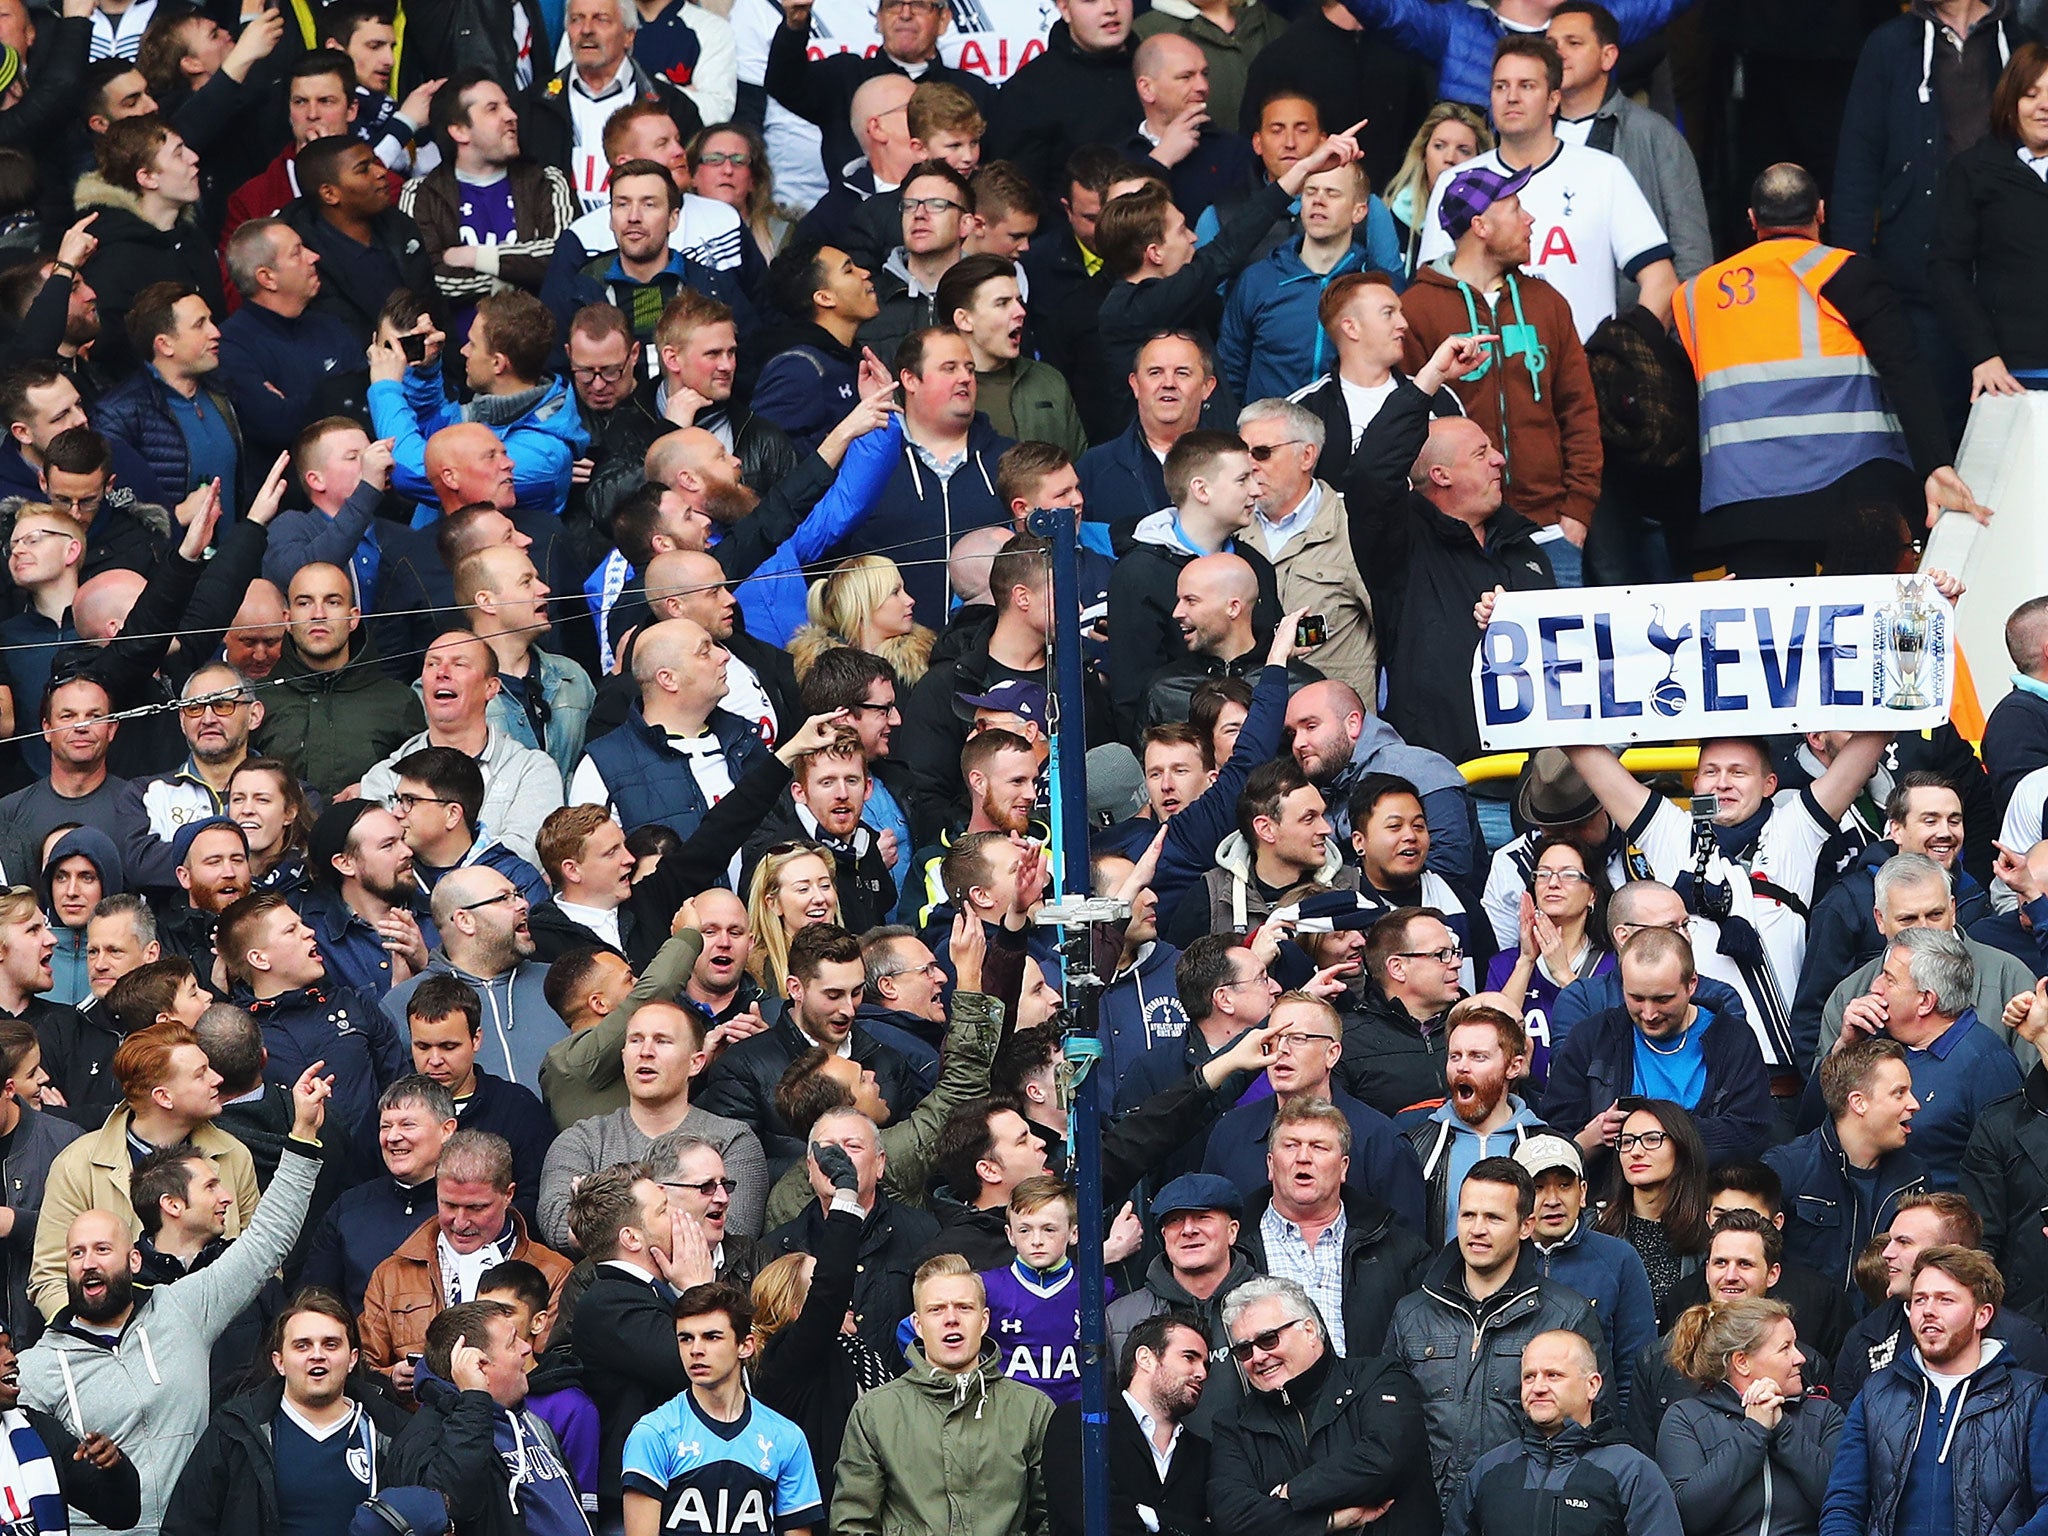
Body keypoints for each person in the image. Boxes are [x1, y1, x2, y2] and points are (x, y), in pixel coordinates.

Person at [18, 1061, 327, 1536]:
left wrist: (303, 1134)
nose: (89, 1262)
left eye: (103, 1249)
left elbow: (267, 1239)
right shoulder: (38, 1367)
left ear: (133, 1262)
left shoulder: (182, 1311)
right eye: (77, 1253)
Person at [1672, 162, 1988, 580]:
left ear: (1752, 220)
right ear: (1821, 212)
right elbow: (1903, 365)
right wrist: (1936, 463)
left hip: (1745, 507)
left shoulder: (1695, 295)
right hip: (1853, 493)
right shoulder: (1843, 271)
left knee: (1776, 640)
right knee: (1860, 631)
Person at [1398, 163, 1600, 580]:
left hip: (1549, 531)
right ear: (1481, 225)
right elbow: (1405, 422)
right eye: (1516, 208)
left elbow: (1579, 410)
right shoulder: (1417, 308)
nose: (1529, 220)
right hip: (1454, 534)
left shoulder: (1547, 302)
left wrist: (1577, 511)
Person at [1416, 37, 1677, 340]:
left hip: (1583, 374)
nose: (1511, 96)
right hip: (1479, 375)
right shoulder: (1457, 182)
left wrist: (1622, 360)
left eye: (1526, 85)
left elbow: (1661, 281)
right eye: (1501, 86)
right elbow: (1432, 292)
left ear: (1554, 100)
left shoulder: (1604, 172)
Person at [1386, 1155, 1609, 1503]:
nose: (1477, 1229)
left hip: (1523, 1509)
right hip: (1424, 1512)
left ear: (1526, 1226)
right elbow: (1388, 1422)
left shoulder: (1567, 1315)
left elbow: (1595, 1431)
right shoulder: (1412, 1313)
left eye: (1493, 1218)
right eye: (1468, 1215)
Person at [28, 1019, 260, 1318]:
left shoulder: (233, 1155)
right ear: (163, 1097)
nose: (217, 1079)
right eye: (200, 1074)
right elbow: (50, 1277)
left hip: (223, 1342)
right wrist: (97, 1339)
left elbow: (261, 1261)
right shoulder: (77, 1165)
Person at [1817, 1244, 2048, 1536]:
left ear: (1982, 1315)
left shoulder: (2029, 1399)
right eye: (1919, 1300)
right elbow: (1843, 1505)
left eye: (1945, 1300)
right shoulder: (1876, 1395)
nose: (1928, 1311)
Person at [830, 1252, 1054, 1536]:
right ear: (918, 1325)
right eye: (936, 1309)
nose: (951, 1319)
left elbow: (1052, 1516)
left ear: (984, 1321)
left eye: (964, 1307)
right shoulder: (876, 1412)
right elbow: (853, 1523)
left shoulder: (1032, 1409)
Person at [160, 1287, 414, 1536]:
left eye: (331, 1344)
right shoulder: (235, 1431)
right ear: (279, 1362)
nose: (317, 1355)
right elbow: (186, 1525)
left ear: (352, 1359)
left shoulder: (390, 1432)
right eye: (302, 1346)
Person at [1208, 1273, 1439, 1536]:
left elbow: (1386, 1457)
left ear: (1309, 1330)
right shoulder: (1233, 1424)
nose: (1258, 1357)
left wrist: (1292, 1493)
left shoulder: (1379, 1377)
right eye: (1244, 1350)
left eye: (1269, 1339)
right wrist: (1330, 1521)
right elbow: (1232, 1517)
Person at [537, 999, 770, 1245]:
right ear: (624, 1056)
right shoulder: (582, 1140)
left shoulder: (733, 1139)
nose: (645, 1051)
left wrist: (605, 1216)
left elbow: (734, 1232)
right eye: (636, 1040)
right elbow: (558, 1225)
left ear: (696, 1062)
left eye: (662, 1041)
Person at [1803, 926, 2021, 1187]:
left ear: (1926, 1001)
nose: (1875, 986)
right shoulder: (1872, 1040)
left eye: (1889, 979)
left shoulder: (1986, 1062)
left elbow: (2011, 1171)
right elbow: (1809, 1123)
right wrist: (1845, 1045)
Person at [358, 1127, 572, 1389]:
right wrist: (391, 1377)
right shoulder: (392, 1273)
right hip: (413, 1421)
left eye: (476, 1207)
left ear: (509, 1195)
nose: (459, 1222)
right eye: (448, 1204)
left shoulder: (554, 1273)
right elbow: (362, 1365)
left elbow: (549, 1370)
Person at [565, 1164, 721, 1524]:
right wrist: (698, 1292)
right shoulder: (608, 1302)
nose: (679, 1217)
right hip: (638, 1504)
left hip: (682, 1492)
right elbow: (699, 1368)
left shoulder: (653, 1292)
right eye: (663, 1210)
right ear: (632, 1238)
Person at [1201, 990, 1427, 1231]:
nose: (1281, 1050)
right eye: (1273, 1040)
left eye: (1297, 1038)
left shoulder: (1381, 1141)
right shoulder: (1231, 1131)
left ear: (1332, 1054)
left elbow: (1409, 1250)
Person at [1232, 1091, 1430, 1360]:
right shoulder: (1230, 1248)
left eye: (1319, 1147)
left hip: (1364, 1399)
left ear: (1343, 1167)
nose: (1303, 1157)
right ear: (1270, 1164)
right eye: (1291, 1145)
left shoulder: (1397, 1248)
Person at [620, 1280, 820, 1536]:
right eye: (685, 1338)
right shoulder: (653, 1433)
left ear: (745, 1345)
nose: (696, 1350)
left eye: (712, 1337)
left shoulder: (785, 1438)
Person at [370, 293, 590, 519]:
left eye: (473, 344)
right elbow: (432, 432)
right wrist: (426, 372)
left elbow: (415, 473)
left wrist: (385, 389)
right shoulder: (489, 411)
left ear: (498, 363)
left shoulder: (541, 455)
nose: (463, 351)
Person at [388, 1297, 591, 1536]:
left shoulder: (530, 1423)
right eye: (512, 1342)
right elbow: (451, 1507)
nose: (526, 1348)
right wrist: (474, 1397)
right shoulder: (425, 1438)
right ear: (479, 1365)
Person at [358, 634, 566, 867]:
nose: (442, 672)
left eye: (459, 664)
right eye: (432, 664)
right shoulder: (386, 775)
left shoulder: (532, 770)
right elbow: (381, 861)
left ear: (491, 687)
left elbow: (523, 859)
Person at [1449, 1330, 1683, 1536]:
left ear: (1592, 1385)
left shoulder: (1631, 1472)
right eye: (1529, 1376)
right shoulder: (1489, 1470)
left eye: (1553, 1375)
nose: (1538, 1387)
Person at [215, 890, 409, 1136]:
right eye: (291, 930)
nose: (309, 932)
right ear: (259, 959)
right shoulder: (241, 1036)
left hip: (381, 1168)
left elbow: (402, 1089)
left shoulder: (354, 1004)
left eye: (302, 924)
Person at [1546, 2, 1712, 286]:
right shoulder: (1524, 132)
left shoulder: (1654, 134)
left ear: (1608, 57)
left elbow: (1690, 246)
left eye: (1573, 43)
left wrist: (1674, 323)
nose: (1558, 52)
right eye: (1550, 45)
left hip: (1632, 322)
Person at [1834, 1191, 2048, 1407]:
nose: (1887, 1253)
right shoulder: (1863, 1338)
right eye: (1890, 1241)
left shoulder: (2020, 1340)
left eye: (1904, 1242)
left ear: (1952, 1251)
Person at [1655, 1296, 1846, 1536]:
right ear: (1742, 1362)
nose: (1801, 1358)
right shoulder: (1687, 1418)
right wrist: (1754, 1430)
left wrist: (1782, 1428)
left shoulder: (1823, 1414)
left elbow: (1840, 1501)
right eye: (1785, 1348)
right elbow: (1688, 1516)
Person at [762, 0, 987, 197]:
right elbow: (783, 84)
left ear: (943, 19)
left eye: (918, 4)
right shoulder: (844, 77)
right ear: (878, 18)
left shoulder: (971, 92)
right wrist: (795, 26)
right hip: (854, 222)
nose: (905, 14)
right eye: (893, 4)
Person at [1765, 1036, 1928, 1297]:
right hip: (1801, 1329)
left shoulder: (1914, 1177)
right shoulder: (1787, 1169)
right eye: (1899, 1093)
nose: (1914, 1104)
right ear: (1858, 1102)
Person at [400, 72, 578, 310]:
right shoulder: (421, 193)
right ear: (459, 131)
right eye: (493, 109)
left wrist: (474, 256)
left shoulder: (548, 181)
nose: (512, 115)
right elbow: (424, 278)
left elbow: (561, 256)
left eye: (508, 106)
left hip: (538, 342)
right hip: (456, 345)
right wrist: (514, 277)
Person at [257, 560, 426, 801]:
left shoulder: (398, 701)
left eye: (333, 602)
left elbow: (419, 790)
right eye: (304, 603)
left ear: (353, 618)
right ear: (287, 619)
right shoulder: (260, 702)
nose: (318, 614)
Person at [76, 116, 224, 377]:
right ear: (147, 178)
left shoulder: (192, 237)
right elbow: (113, 350)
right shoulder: (115, 259)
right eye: (178, 154)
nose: (193, 158)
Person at [1520, 1132, 1657, 1413]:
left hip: (1598, 1437)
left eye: (1564, 1185)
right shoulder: (1500, 1260)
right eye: (1538, 1187)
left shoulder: (1619, 1258)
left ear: (1582, 1192)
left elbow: (1636, 1367)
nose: (1553, 1199)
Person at [522, 0, 701, 213]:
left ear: (629, 35)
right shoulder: (531, 105)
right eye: (576, 20)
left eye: (601, 19)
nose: (586, 30)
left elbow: (690, 187)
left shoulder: (672, 106)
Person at [300, 1074, 458, 1315]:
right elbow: (314, 1303)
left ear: (446, 1129)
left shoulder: (470, 1208)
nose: (393, 1137)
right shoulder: (349, 1209)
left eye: (407, 1125)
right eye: (385, 1126)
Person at [1044, 1311, 1212, 1536]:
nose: (1201, 1373)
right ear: (1145, 1358)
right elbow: (1092, 1515)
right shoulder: (1079, 1423)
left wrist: (1148, 1517)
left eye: (1206, 1365)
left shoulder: (1202, 1453)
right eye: (1189, 1357)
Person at [400, 974, 554, 1207]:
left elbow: (537, 1197)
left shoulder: (517, 1108)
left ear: (476, 1040)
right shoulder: (391, 1114)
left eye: (448, 1047)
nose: (434, 1059)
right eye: (422, 1047)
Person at [275, 135, 437, 344]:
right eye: (363, 169)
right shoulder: (305, 261)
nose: (381, 172)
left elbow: (435, 306)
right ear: (329, 193)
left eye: (375, 163)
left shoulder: (400, 226)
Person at [1075, 330, 1216, 533]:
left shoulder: (1234, 465)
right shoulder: (1094, 469)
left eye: (1182, 373)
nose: (1168, 383)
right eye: (1155, 372)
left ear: (1207, 387)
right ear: (1135, 385)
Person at [375, 745, 549, 907]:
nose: (396, 812)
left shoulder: (518, 880)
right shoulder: (387, 876)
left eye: (410, 800)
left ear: (452, 814)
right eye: (397, 800)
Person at [1336, 907, 1464, 1119]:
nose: (1457, 963)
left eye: (1455, 952)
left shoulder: (1474, 1022)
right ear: (1397, 967)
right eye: (1441, 955)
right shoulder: (1348, 1041)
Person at [1593, 1100, 1713, 1316]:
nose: (1635, 1152)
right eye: (1627, 1142)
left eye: (1651, 1139)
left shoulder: (1710, 1234)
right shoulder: (1595, 1227)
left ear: (1681, 1146)